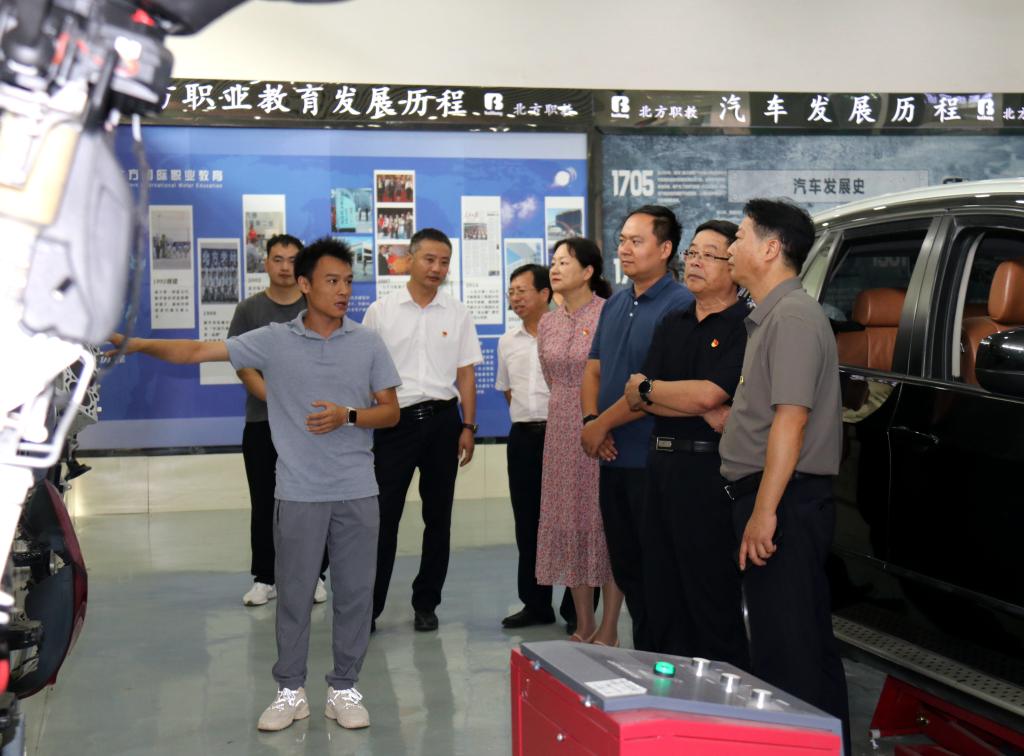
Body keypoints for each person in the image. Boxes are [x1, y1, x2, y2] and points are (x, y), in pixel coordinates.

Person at [112, 238, 401, 733]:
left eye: (348, 282)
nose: (343, 291)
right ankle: (290, 691)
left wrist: (348, 416)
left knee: (356, 595)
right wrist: (135, 345)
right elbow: (196, 351)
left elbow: (390, 412)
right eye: (332, 281)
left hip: (357, 490)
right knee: (293, 596)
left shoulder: (368, 343)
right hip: (298, 491)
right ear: (305, 284)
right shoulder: (273, 340)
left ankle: (344, 688)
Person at [720, 198, 851, 754]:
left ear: (771, 248)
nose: (730, 248)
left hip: (784, 504)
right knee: (798, 646)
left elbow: (790, 422)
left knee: (790, 654)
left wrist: (764, 512)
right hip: (778, 498)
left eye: (740, 236)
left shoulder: (793, 317)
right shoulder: (771, 316)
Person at [623, 220, 749, 667]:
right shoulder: (672, 321)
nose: (694, 262)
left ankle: (724, 690)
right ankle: (670, 688)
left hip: (708, 474)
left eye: (708, 255)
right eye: (692, 253)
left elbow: (709, 395)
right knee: (662, 590)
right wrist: (687, 401)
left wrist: (663, 393)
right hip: (659, 468)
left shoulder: (744, 325)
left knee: (709, 592)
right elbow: (636, 395)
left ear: (734, 266)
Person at [579, 205, 693, 650]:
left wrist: (599, 428)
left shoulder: (680, 305)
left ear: (665, 249)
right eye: (622, 240)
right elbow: (594, 369)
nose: (624, 249)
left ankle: (663, 659)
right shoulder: (616, 303)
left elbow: (655, 389)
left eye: (636, 241)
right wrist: (593, 422)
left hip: (652, 458)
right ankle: (648, 655)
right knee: (626, 565)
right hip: (612, 457)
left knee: (657, 572)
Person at [362, 228, 483, 632]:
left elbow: (465, 374)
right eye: (429, 259)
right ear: (410, 260)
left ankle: (426, 603)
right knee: (382, 517)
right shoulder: (381, 311)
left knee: (439, 517)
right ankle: (369, 607)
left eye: (444, 261)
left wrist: (468, 426)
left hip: (443, 423)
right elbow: (364, 371)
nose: (437, 268)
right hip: (394, 423)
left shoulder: (457, 313)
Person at [228, 234, 329, 608]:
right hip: (263, 422)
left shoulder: (316, 306)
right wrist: (280, 401)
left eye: (292, 259)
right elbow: (243, 365)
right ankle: (265, 577)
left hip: (313, 424)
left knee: (314, 501)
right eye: (277, 259)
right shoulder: (249, 310)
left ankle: (315, 575)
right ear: (266, 263)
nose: (285, 266)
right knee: (265, 502)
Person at [536, 238, 622, 645]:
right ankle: (584, 623)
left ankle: (610, 626)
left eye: (564, 262)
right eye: (553, 262)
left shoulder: (610, 313)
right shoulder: (548, 323)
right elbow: (551, 377)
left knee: (605, 523)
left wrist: (603, 424)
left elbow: (616, 374)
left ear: (588, 272)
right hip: (559, 432)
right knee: (569, 521)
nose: (555, 269)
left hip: (602, 426)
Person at [496, 264, 576, 630]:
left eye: (522, 290)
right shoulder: (507, 341)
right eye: (512, 291)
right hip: (523, 439)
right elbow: (508, 391)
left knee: (572, 521)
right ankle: (536, 603)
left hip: (562, 436)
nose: (515, 298)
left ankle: (577, 609)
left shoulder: (566, 333)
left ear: (545, 294)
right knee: (527, 523)